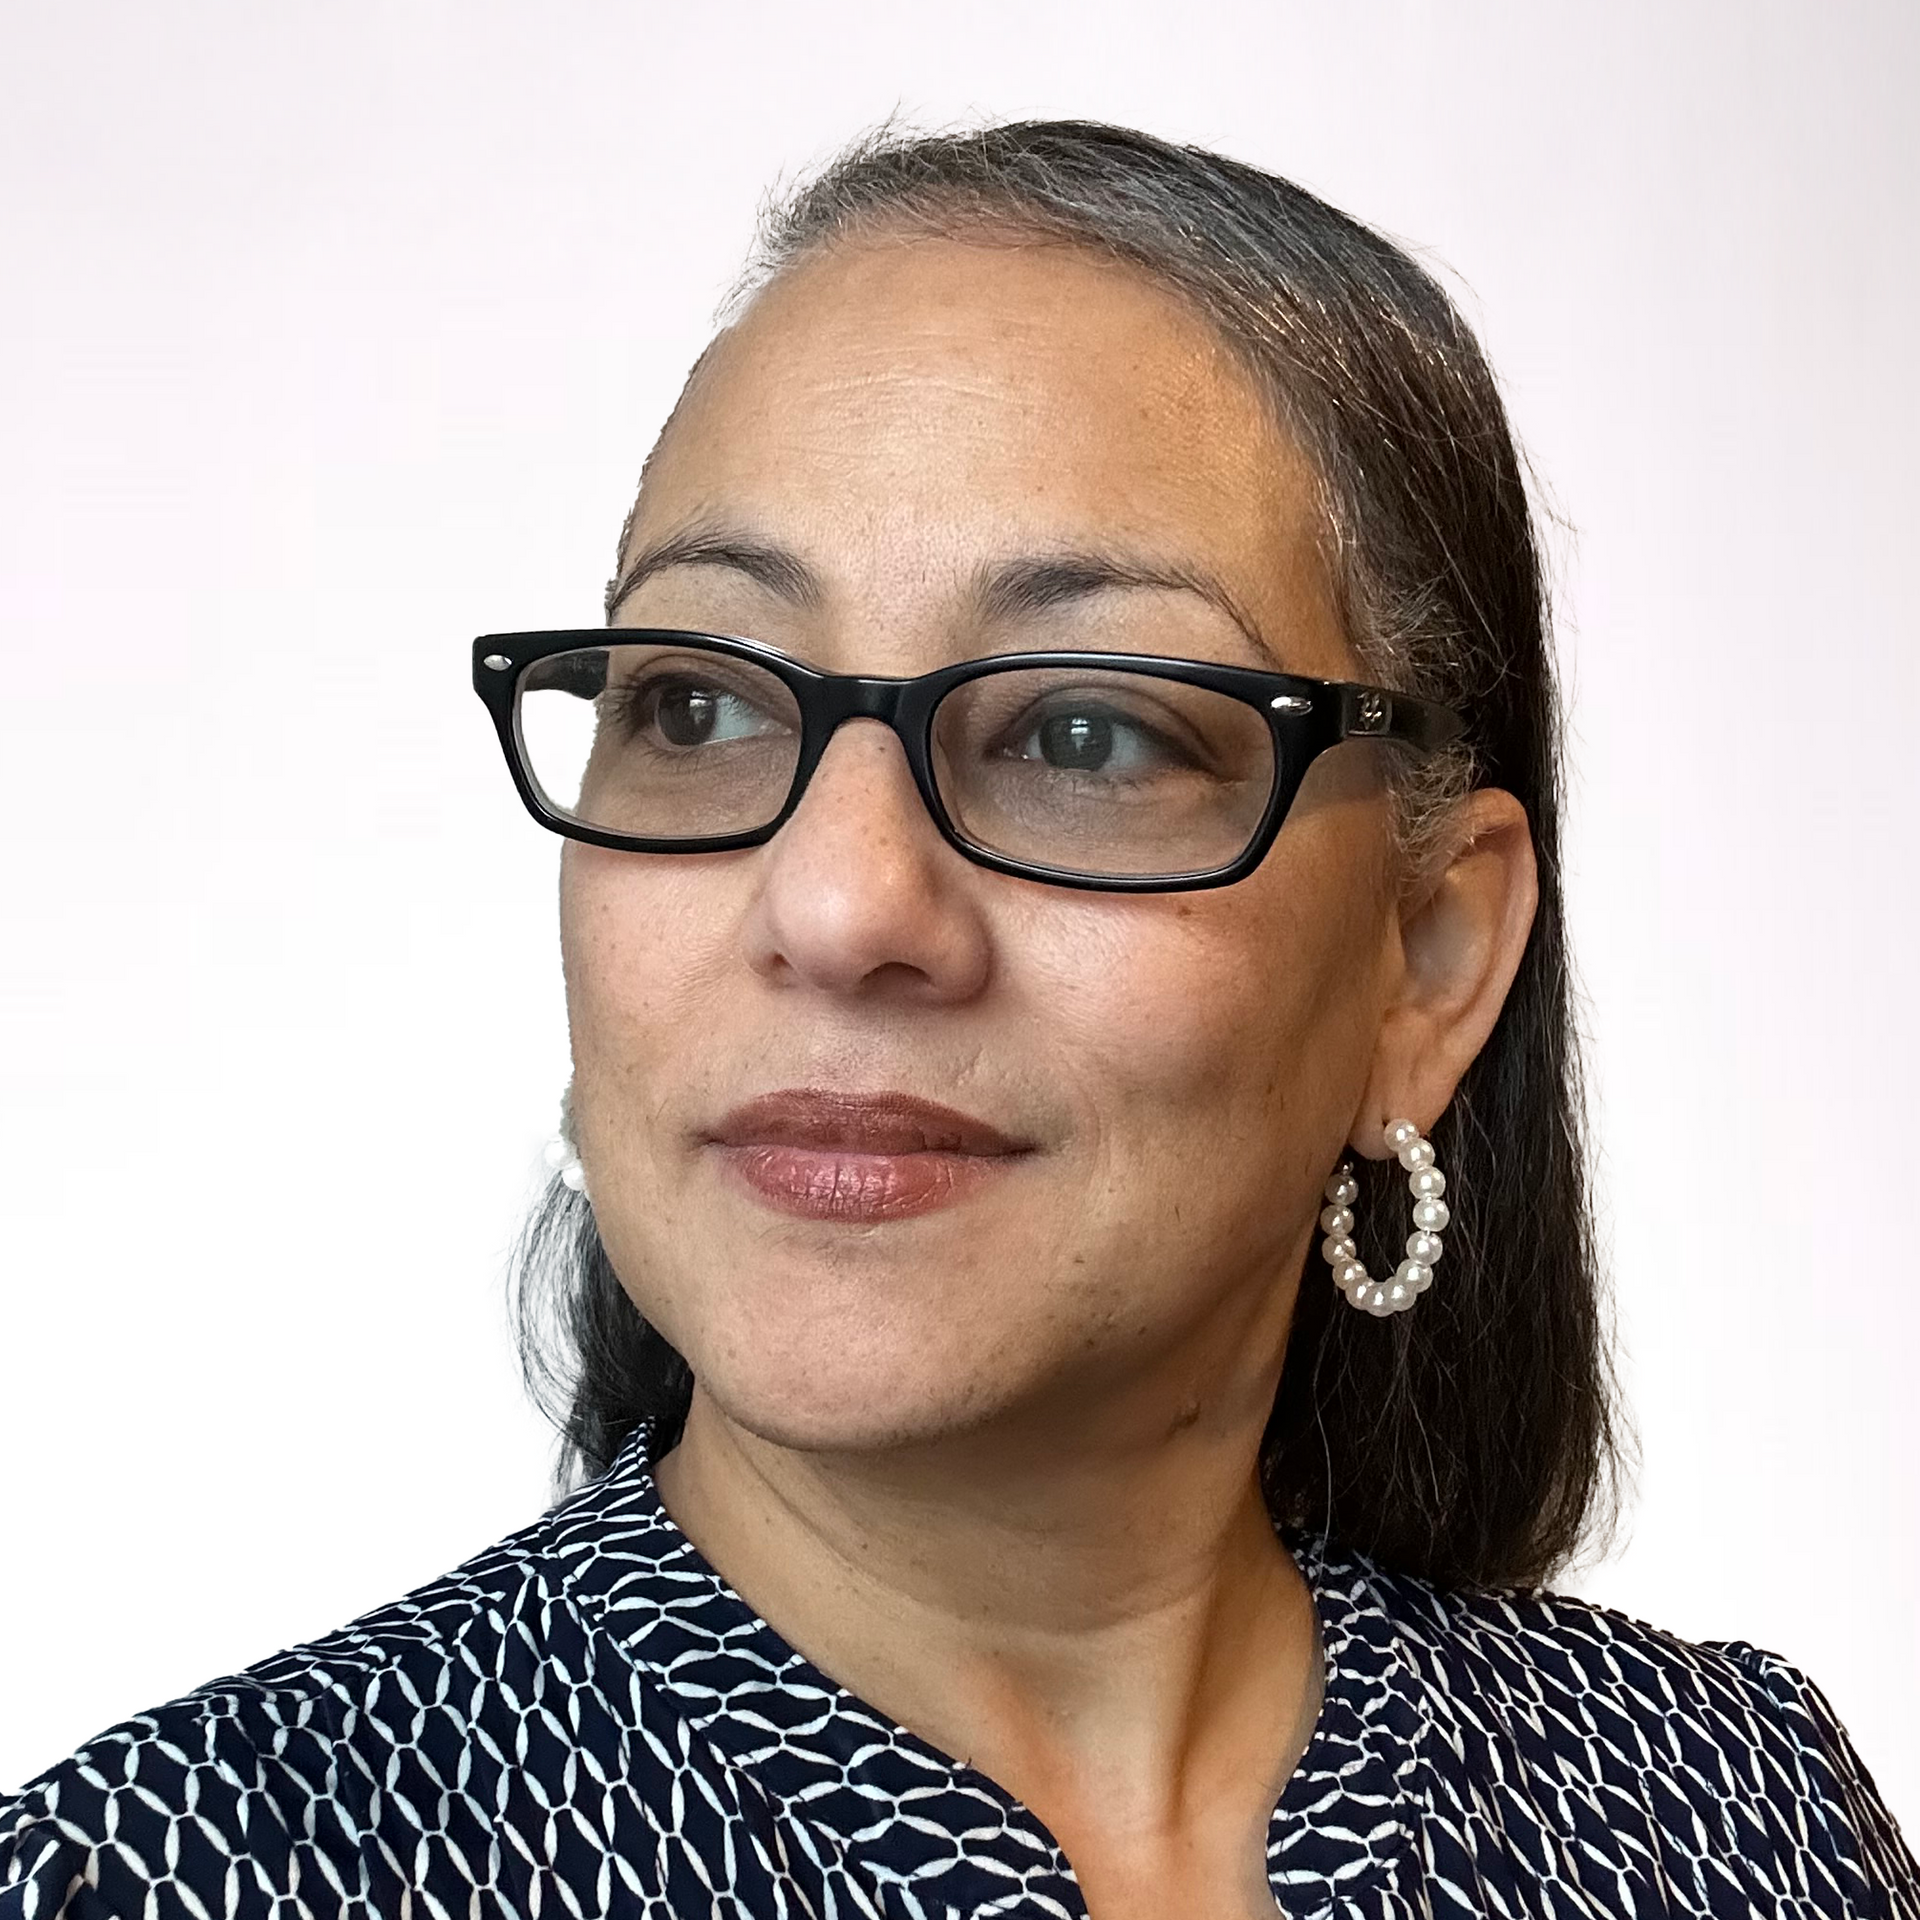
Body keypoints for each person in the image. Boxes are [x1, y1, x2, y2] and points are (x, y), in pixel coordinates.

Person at [3, 118, 1913, 1920]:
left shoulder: (1729, 1812)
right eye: (699, 706)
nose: (839, 907)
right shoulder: (171, 1872)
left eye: (1086, 732)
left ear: (1426, 961)